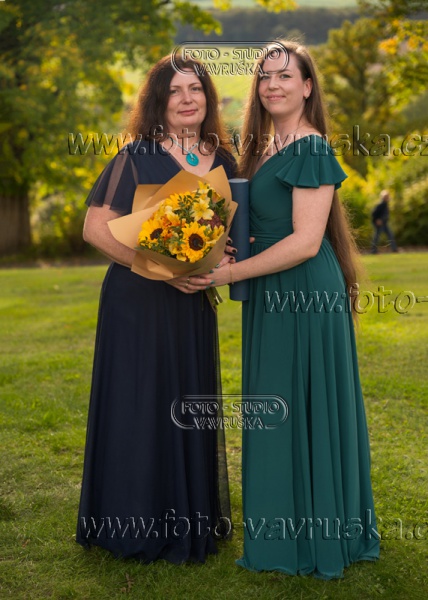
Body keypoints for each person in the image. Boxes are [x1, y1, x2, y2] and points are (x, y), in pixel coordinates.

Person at [204, 41, 380, 578]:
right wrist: (231, 249)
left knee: (303, 403)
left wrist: (228, 274)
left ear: (307, 87)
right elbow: (263, 226)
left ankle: (316, 536)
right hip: (269, 289)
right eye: (265, 76)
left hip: (303, 291)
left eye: (285, 76)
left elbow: (305, 242)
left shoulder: (312, 147)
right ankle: (285, 529)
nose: (273, 85)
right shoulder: (261, 149)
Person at [76, 55, 236, 564]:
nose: (187, 99)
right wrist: (160, 269)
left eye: (196, 88)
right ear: (158, 102)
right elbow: (95, 229)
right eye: (175, 90)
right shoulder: (136, 156)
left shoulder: (224, 161)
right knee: (140, 403)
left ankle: (188, 520)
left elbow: (230, 234)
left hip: (192, 305)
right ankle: (134, 525)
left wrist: (223, 259)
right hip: (137, 301)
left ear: (208, 98)